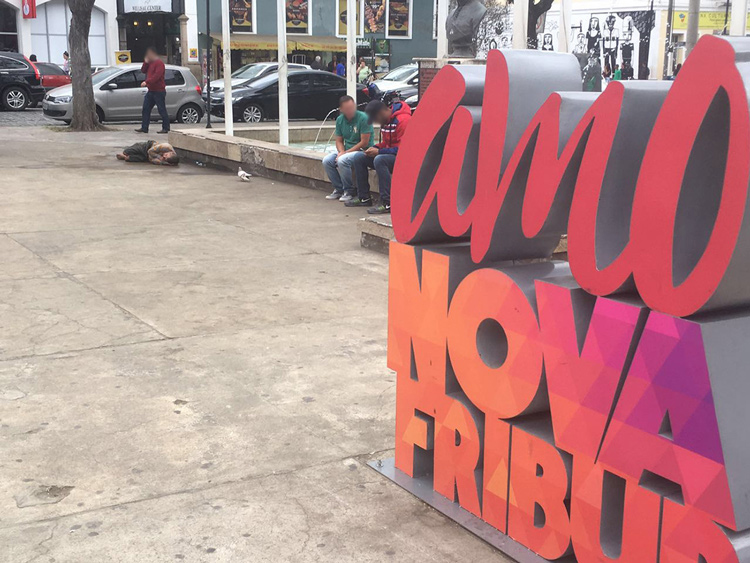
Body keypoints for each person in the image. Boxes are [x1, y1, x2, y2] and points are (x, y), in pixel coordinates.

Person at [356, 99, 412, 215]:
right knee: (359, 158)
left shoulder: (403, 121)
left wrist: (380, 151)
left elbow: (405, 150)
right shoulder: (386, 122)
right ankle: (364, 197)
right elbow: (388, 144)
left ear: (381, 113)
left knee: (380, 160)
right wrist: (374, 147)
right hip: (392, 155)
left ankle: (387, 202)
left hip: (406, 159)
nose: (376, 122)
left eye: (375, 119)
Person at [323, 95, 373, 203]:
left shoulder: (364, 118)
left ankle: (349, 190)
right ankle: (339, 188)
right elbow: (339, 140)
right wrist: (341, 151)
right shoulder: (340, 120)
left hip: (362, 150)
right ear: (341, 110)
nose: (350, 111)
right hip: (347, 149)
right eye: (347, 109)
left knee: (342, 160)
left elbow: (364, 142)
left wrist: (345, 153)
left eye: (352, 107)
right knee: (327, 160)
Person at [135, 47, 170, 135]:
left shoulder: (159, 64)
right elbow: (143, 70)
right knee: (145, 109)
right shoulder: (149, 63)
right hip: (151, 90)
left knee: (161, 109)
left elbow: (156, 76)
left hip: (159, 91)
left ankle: (166, 127)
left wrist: (147, 82)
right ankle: (144, 127)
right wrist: (145, 62)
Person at [116, 140, 180, 165]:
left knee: (137, 158)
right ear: (171, 153)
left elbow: (153, 161)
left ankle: (127, 157)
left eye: (165, 158)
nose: (164, 156)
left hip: (149, 157)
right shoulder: (166, 147)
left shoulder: (170, 160)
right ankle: (125, 154)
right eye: (166, 155)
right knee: (129, 151)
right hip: (148, 147)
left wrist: (162, 162)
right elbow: (150, 151)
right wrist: (159, 156)